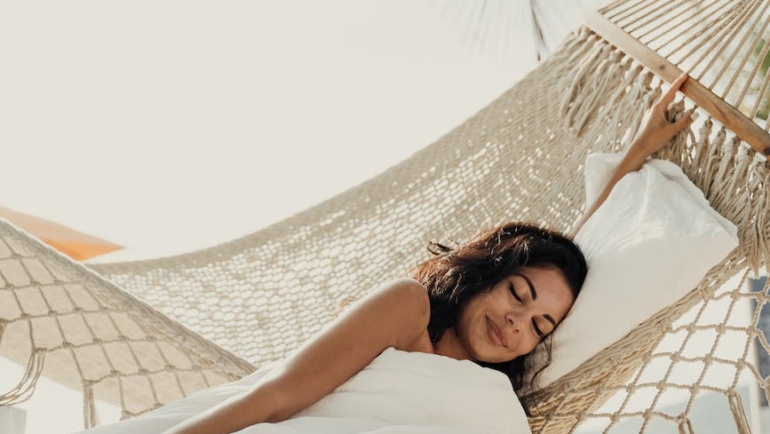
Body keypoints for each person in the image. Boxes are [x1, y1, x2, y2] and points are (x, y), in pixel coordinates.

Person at [160, 73, 695, 434]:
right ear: (486, 273)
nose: (518, 322)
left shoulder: (486, 396)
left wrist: (636, 154)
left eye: (540, 325)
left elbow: (575, 247)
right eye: (517, 293)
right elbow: (276, 398)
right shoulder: (407, 310)